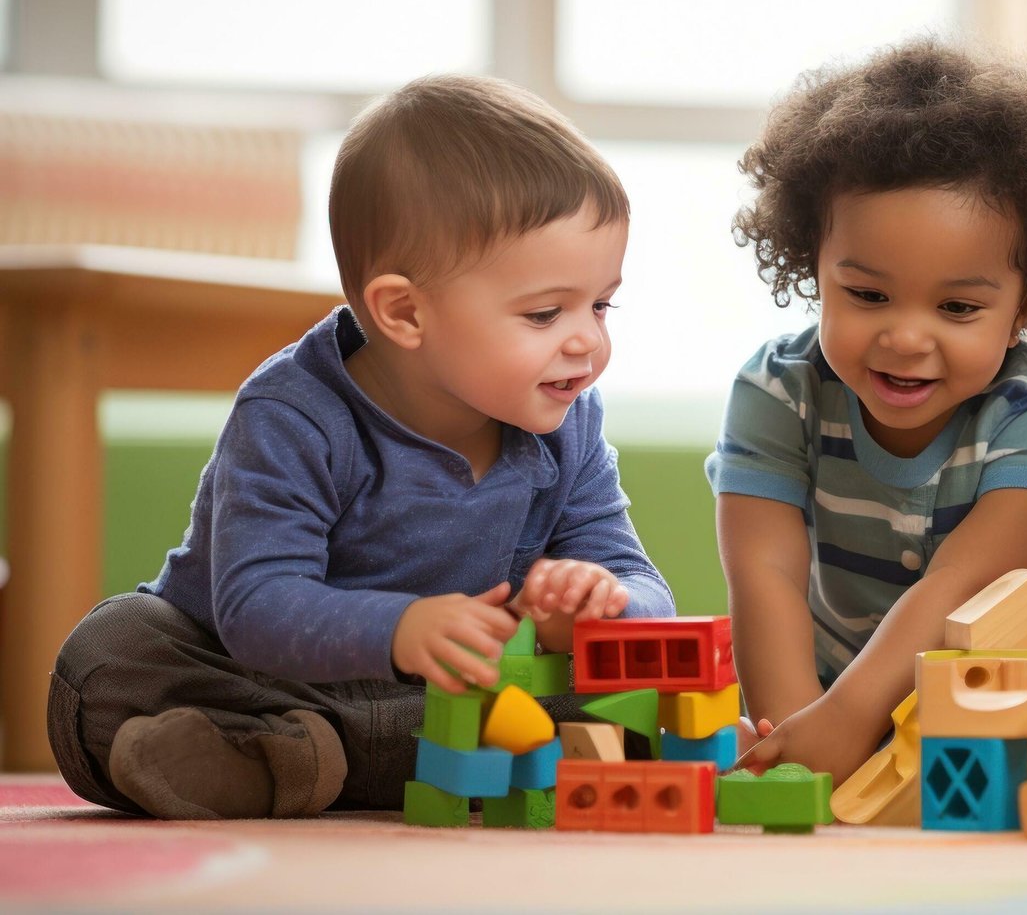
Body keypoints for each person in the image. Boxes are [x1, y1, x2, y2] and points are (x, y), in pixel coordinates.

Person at [48, 74, 673, 819]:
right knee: (110, 655)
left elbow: (645, 587)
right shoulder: (294, 416)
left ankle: (299, 763)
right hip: (262, 676)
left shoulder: (569, 421)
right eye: (545, 313)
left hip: (455, 692)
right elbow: (255, 606)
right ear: (405, 312)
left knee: (637, 688)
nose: (589, 340)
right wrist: (402, 629)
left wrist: (605, 606)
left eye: (601, 304)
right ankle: (292, 753)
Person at [710, 39, 1027, 784]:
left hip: (1023, 693)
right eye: (867, 295)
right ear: (814, 265)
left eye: (958, 307)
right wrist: (798, 736)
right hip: (845, 688)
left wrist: (846, 720)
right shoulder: (777, 392)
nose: (905, 338)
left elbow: (963, 586)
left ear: (1025, 305)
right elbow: (764, 573)